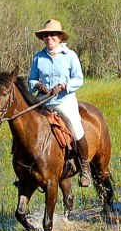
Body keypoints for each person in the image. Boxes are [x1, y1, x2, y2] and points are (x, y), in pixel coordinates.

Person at [28, 19, 92, 187]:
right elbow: (31, 79)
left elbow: (79, 79)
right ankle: (25, 167)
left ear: (60, 37)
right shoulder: (38, 57)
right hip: (43, 101)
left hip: (64, 100)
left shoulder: (70, 56)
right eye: (46, 35)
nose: (49, 38)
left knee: (75, 127)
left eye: (53, 34)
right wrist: (37, 85)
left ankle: (85, 168)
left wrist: (64, 86)